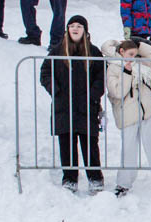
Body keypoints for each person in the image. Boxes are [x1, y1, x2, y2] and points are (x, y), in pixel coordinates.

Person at [40, 16, 105, 193]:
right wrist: (55, 89)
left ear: (85, 30)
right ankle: (69, 178)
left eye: (79, 26)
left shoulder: (93, 52)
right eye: (72, 26)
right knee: (66, 143)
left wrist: (93, 94)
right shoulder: (58, 50)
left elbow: (101, 75)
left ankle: (95, 177)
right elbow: (45, 72)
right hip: (64, 105)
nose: (75, 29)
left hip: (86, 105)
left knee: (89, 143)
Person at [101, 37, 151, 196]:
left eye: (135, 54)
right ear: (121, 52)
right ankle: (123, 183)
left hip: (148, 111)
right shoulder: (113, 67)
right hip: (127, 114)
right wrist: (127, 73)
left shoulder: (141, 65)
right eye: (130, 54)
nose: (133, 57)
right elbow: (117, 92)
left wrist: (138, 44)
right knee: (129, 149)